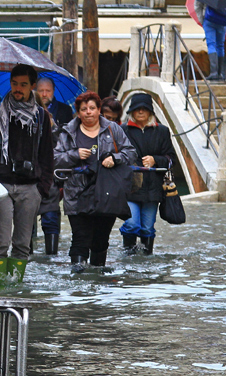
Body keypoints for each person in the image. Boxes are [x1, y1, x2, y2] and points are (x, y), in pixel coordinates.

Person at [0, 64, 54, 283]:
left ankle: (14, 290)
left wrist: (42, 188)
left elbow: (47, 155)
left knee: (22, 244)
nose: (17, 89)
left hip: (30, 187)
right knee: (0, 242)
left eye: (23, 84)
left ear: (32, 86)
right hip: (0, 184)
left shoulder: (41, 117)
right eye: (14, 84)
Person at [54, 91, 136, 273]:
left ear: (99, 109)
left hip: (106, 192)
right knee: (80, 238)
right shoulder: (68, 132)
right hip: (77, 192)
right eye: (84, 109)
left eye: (92, 108)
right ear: (78, 112)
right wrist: (74, 155)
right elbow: (55, 159)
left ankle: (98, 278)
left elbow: (130, 152)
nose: (88, 112)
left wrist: (115, 158)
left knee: (101, 238)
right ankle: (78, 280)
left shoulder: (113, 129)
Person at [119, 93, 174, 255]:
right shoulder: (122, 130)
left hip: (153, 188)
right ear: (132, 112)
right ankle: (128, 255)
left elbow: (171, 158)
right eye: (137, 109)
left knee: (147, 228)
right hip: (130, 187)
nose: (141, 112)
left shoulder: (162, 131)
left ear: (150, 111)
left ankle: (145, 259)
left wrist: (155, 160)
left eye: (144, 109)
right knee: (131, 224)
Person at [34, 77, 73, 255]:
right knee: (25, 217)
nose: (44, 94)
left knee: (50, 216)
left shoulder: (65, 111)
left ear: (53, 91)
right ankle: (28, 252)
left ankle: (51, 254)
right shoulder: (27, 111)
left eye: (47, 91)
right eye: (40, 91)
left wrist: (53, 126)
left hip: (52, 171)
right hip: (28, 172)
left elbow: (67, 142)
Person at [197, 1, 226, 81]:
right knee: (220, 46)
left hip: (209, 19)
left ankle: (213, 73)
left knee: (211, 45)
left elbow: (197, 6)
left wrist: (202, 21)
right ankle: (220, 73)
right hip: (222, 20)